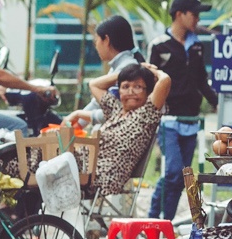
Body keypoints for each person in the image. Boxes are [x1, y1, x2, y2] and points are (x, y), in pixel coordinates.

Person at [147, 0, 214, 222]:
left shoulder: (197, 46)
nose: (197, 19)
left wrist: (218, 105)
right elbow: (150, 83)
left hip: (191, 120)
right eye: (194, 14)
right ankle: (151, 218)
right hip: (168, 120)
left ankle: (166, 222)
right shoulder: (158, 46)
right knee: (173, 171)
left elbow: (202, 82)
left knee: (183, 175)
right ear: (179, 14)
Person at [69, 61, 172, 207]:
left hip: (103, 177)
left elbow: (165, 81)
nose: (130, 92)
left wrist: (149, 71)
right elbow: (94, 84)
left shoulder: (146, 114)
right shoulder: (116, 110)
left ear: (147, 91)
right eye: (125, 87)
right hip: (84, 169)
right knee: (41, 158)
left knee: (45, 165)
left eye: (137, 87)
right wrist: (125, 73)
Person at [80, 15, 143, 122]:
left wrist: (78, 117)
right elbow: (98, 102)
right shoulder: (117, 67)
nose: (96, 46)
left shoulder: (127, 67)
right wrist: (73, 123)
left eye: (96, 40)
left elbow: (119, 111)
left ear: (106, 40)